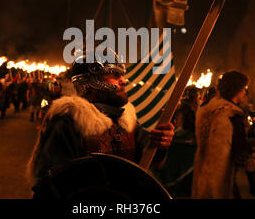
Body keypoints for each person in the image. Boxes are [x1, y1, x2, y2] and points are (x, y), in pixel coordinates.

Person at [27, 52, 174, 198]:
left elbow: (148, 161)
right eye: (115, 75)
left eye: (122, 75)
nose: (123, 81)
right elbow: (50, 186)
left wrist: (160, 143)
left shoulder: (127, 121)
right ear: (90, 83)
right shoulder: (69, 121)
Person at [191, 70, 250, 199]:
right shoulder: (232, 115)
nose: (245, 92)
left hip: (202, 165)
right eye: (244, 88)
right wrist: (246, 157)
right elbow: (239, 148)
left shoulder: (206, 108)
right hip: (221, 172)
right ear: (237, 89)